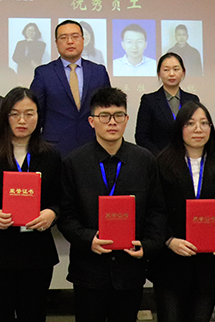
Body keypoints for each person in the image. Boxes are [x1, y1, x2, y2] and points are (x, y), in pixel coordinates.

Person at [58, 86, 166, 322]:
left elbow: (157, 210)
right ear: (91, 121)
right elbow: (66, 214)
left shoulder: (145, 160)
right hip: (88, 270)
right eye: (104, 116)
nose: (112, 122)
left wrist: (148, 245)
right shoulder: (74, 162)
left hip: (131, 269)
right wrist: (88, 238)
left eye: (118, 115)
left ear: (127, 119)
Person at [0, 87, 62, 322]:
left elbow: (60, 200)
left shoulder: (51, 155)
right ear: (5, 116)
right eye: (15, 114)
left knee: (33, 314)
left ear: (38, 117)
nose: (22, 120)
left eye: (29, 114)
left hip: (36, 251)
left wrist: (52, 213)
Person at [149, 102, 215, 322]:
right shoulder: (161, 164)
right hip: (171, 262)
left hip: (210, 263)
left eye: (204, 123)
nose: (198, 129)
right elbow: (154, 211)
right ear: (179, 128)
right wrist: (169, 240)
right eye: (190, 123)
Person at [30, 19, 111, 158]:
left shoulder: (98, 71)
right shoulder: (44, 73)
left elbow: (108, 110)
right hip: (54, 149)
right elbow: (36, 113)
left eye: (75, 36)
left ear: (83, 40)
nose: (70, 41)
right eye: (64, 37)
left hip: (93, 145)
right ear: (56, 43)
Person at [134, 52, 200, 155]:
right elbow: (142, 137)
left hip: (188, 158)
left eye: (176, 69)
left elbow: (198, 131)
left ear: (183, 72)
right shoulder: (149, 101)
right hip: (159, 159)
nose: (171, 74)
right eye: (166, 70)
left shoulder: (192, 100)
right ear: (159, 73)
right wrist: (161, 158)